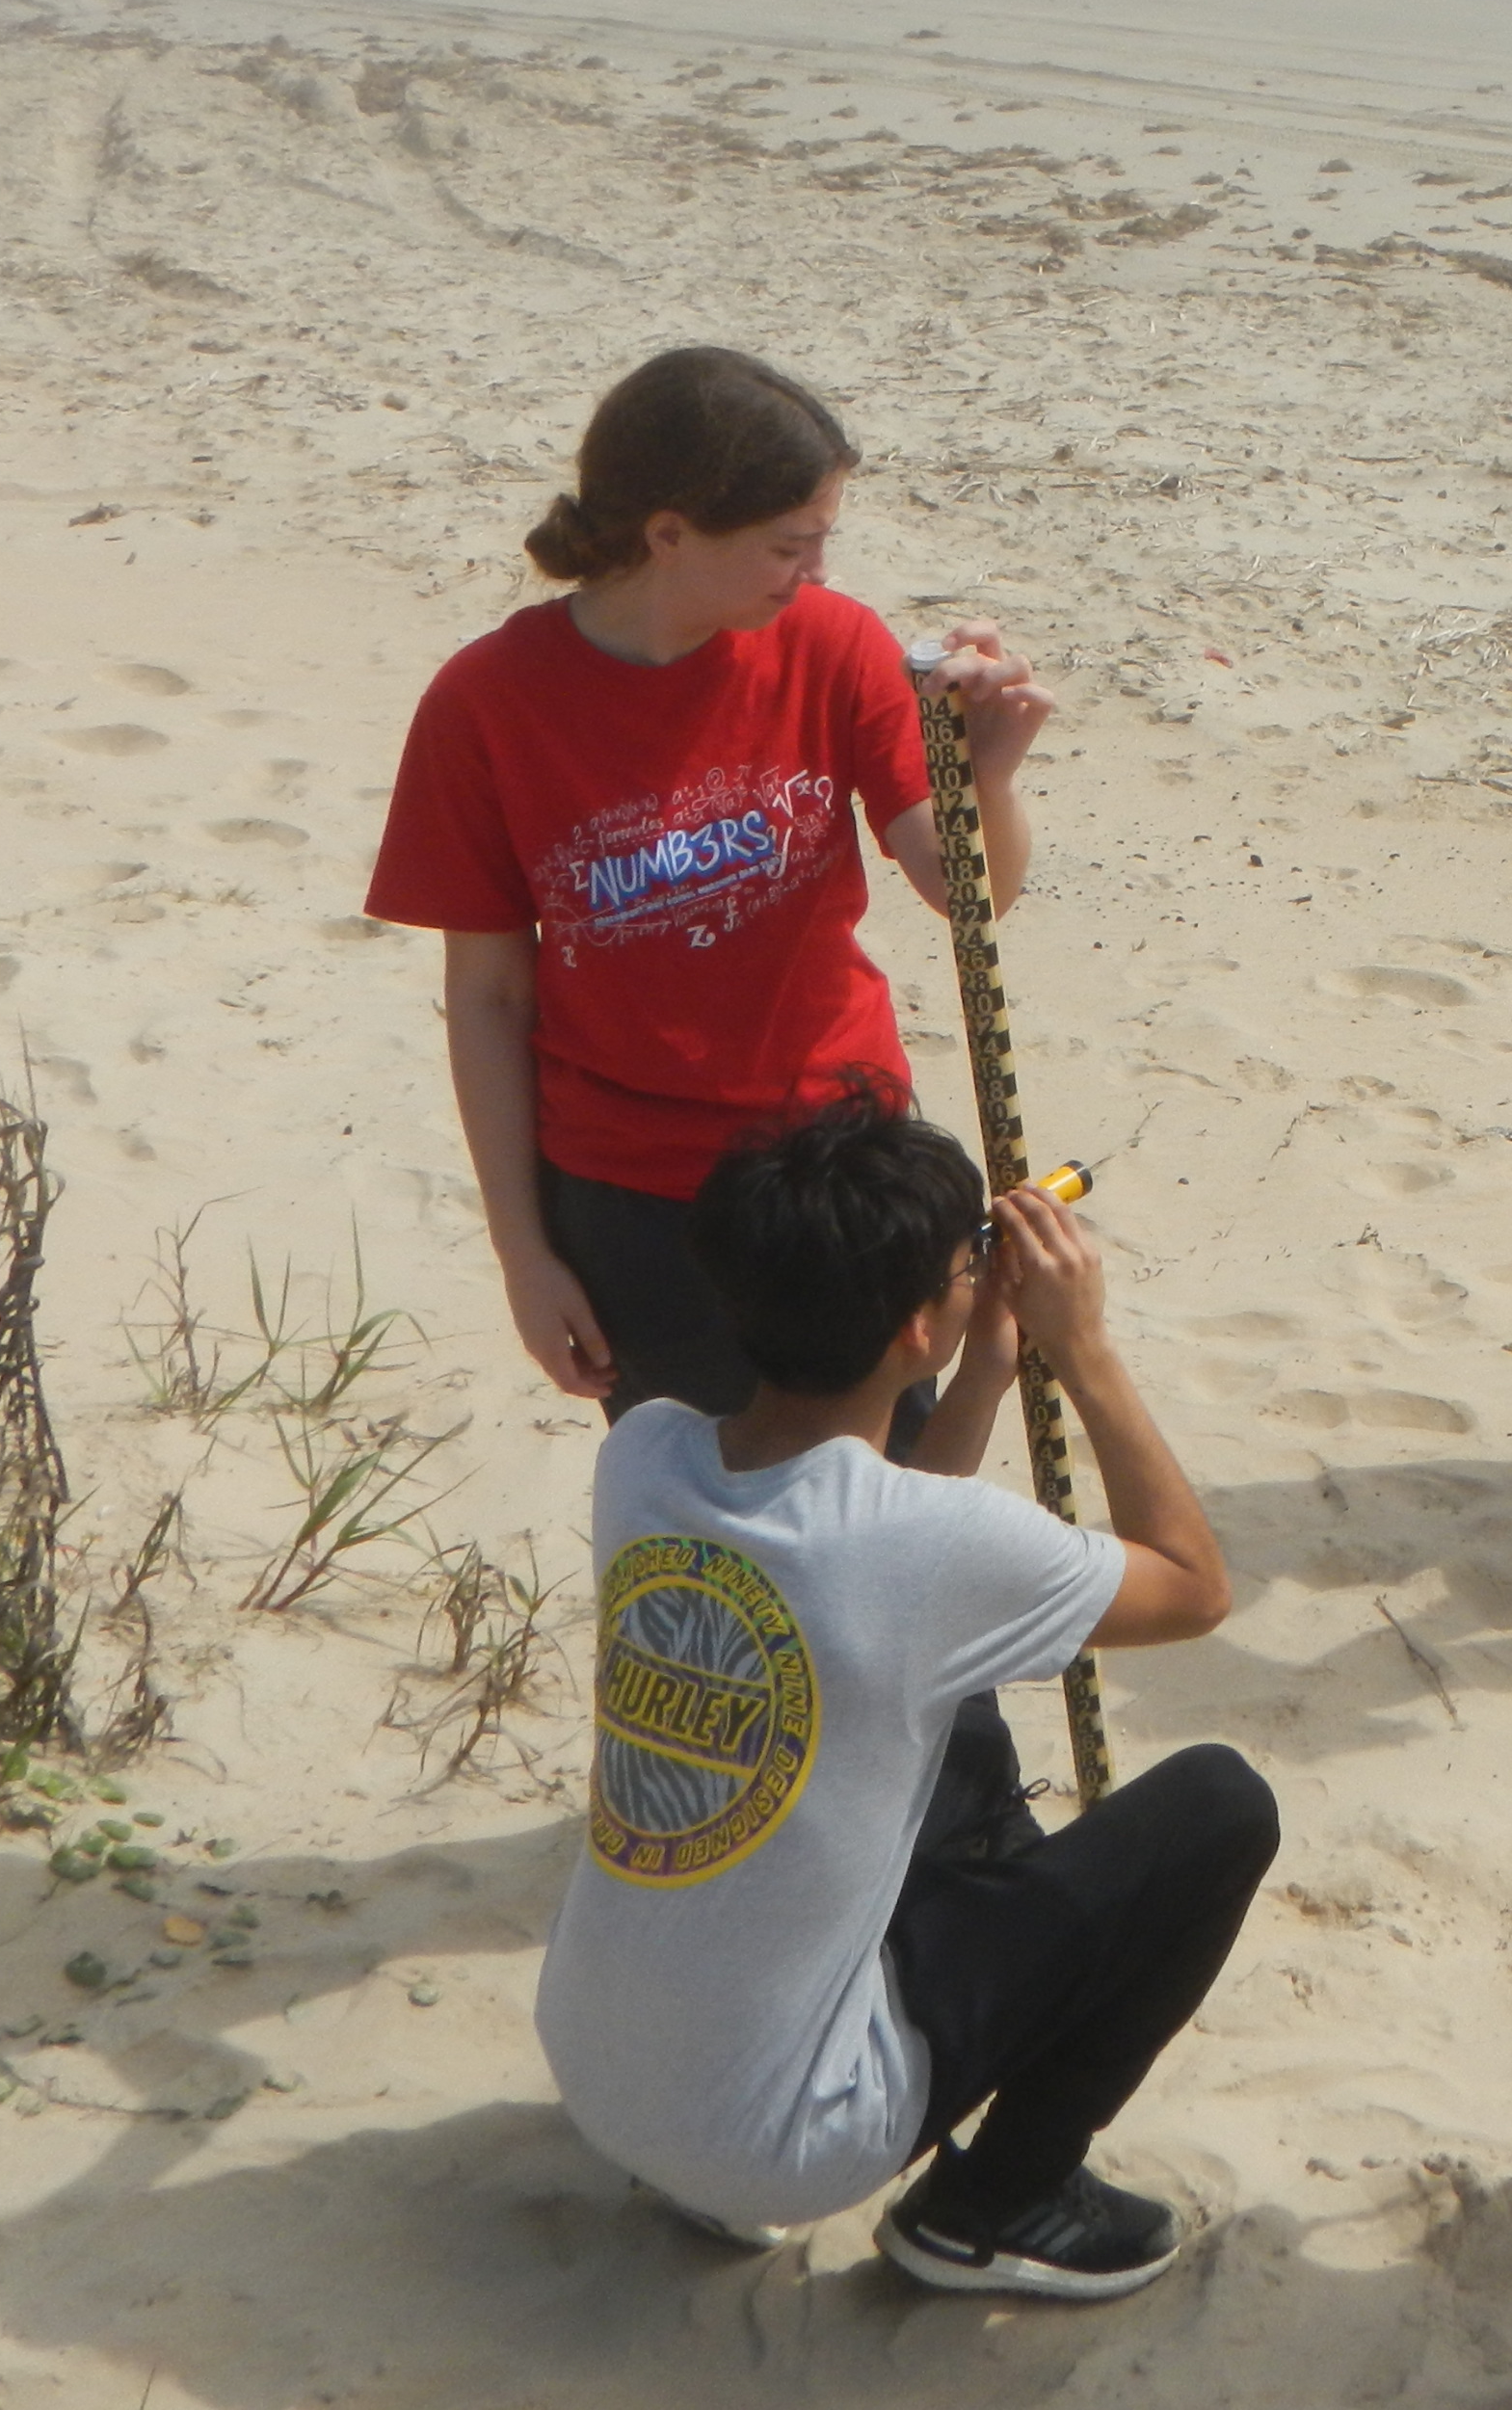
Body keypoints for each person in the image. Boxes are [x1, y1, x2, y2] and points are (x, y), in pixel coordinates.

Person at [365, 343, 1058, 1844]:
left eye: (826, 540)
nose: (818, 573)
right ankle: (718, 1820)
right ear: (667, 531)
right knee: (709, 1545)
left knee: (888, 1515)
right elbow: (488, 997)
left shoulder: (833, 647)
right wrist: (525, 1251)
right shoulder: (490, 703)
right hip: (633, 1194)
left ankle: (956, 1827)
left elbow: (970, 894)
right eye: (790, 543)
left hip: (842, 1169)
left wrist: (990, 773)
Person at [536, 1090, 1272, 2299]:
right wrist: (1083, 1348)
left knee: (945, 1738)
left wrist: (982, 1371)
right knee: (1218, 1809)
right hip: (784, 2144)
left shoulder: (645, 1455)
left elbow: (884, 1546)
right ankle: (1001, 2199)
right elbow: (1195, 1590)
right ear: (916, 1327)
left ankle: (746, 2155)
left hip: (600, 2074)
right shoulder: (933, 1549)